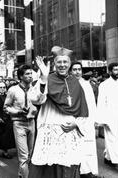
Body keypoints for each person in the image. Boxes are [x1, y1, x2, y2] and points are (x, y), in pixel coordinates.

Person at [28, 46, 89, 178]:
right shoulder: (47, 78)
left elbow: (83, 109)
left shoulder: (75, 82)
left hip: (69, 133)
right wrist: (43, 78)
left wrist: (76, 124)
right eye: (59, 62)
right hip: (50, 133)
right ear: (54, 63)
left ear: (69, 64)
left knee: (67, 168)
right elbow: (36, 99)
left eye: (65, 62)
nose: (62, 65)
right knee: (47, 169)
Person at [4, 64, 38, 178]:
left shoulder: (35, 89)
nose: (30, 76)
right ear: (21, 76)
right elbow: (6, 107)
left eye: (31, 73)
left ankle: (21, 175)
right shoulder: (13, 90)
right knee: (23, 156)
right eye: (27, 74)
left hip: (32, 123)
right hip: (19, 124)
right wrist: (17, 111)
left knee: (30, 155)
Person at [96, 62, 118, 176]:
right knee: (114, 140)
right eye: (115, 70)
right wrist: (103, 119)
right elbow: (101, 103)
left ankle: (107, 157)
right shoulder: (104, 85)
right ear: (110, 71)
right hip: (109, 117)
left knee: (116, 139)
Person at [70, 62, 100, 178]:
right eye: (74, 69)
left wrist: (94, 121)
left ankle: (87, 171)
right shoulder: (68, 84)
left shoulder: (87, 85)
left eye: (79, 69)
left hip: (87, 120)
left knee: (88, 147)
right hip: (73, 120)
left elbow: (92, 104)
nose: (77, 72)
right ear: (70, 71)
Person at [0, 82, 15, 158]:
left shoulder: (7, 96)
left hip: (6, 119)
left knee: (6, 137)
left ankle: (5, 152)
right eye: (1, 87)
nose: (2, 89)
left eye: (4, 87)